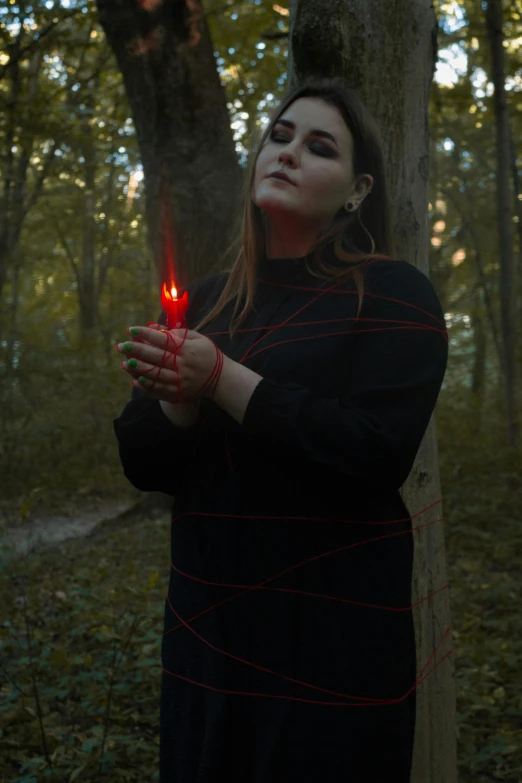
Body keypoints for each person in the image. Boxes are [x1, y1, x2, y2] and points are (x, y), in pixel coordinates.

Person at [113, 76, 448, 783]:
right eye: (280, 135)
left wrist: (220, 380)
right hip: (210, 640)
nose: (289, 152)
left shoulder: (394, 296)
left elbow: (372, 451)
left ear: (357, 190)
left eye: (319, 146)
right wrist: (177, 399)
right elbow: (144, 462)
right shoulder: (206, 301)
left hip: (333, 652)